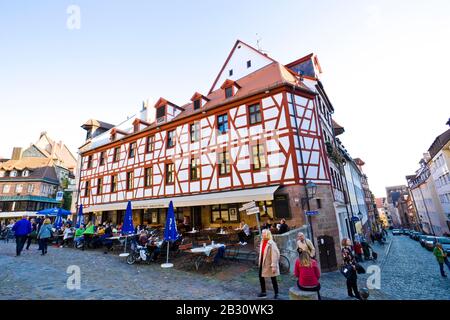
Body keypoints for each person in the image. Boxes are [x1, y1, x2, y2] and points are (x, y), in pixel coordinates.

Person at [257, 229, 280, 299]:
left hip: (270, 264)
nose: (262, 234)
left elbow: (275, 255)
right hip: (262, 263)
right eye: (262, 233)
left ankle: (276, 293)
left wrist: (273, 266)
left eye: (264, 233)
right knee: (261, 277)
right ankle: (263, 292)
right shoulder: (262, 241)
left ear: (267, 234)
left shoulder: (271, 243)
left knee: (273, 278)